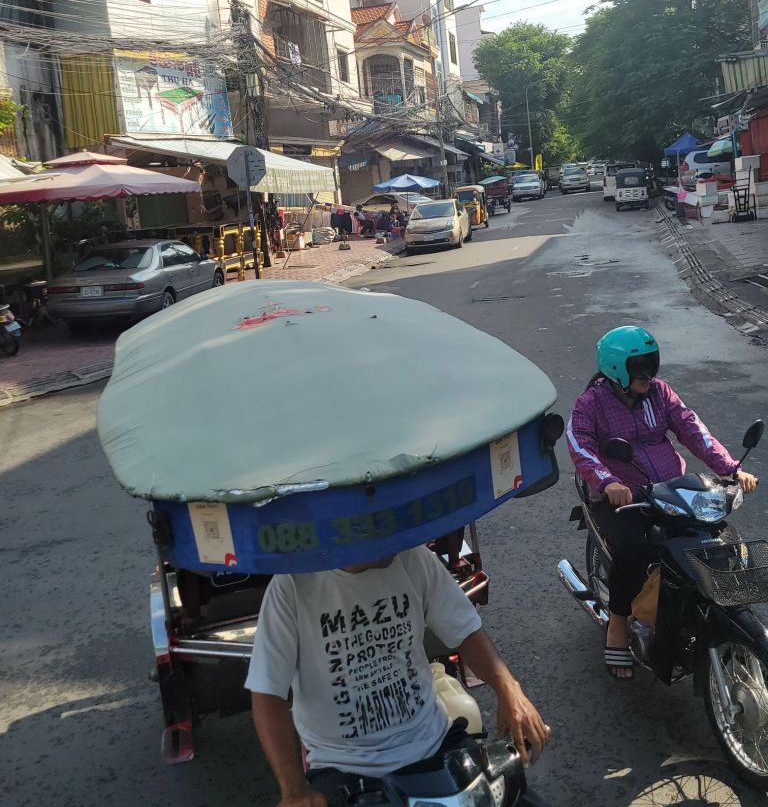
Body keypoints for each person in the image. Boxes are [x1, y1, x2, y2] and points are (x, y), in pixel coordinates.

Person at [246, 545, 551, 807]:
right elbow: (268, 692)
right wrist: (293, 788)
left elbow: (466, 632)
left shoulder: (413, 558)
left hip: (434, 742)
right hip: (343, 765)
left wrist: (510, 690)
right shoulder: (291, 585)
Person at [567, 325, 758, 680]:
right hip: (623, 496)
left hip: (670, 491)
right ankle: (618, 625)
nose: (647, 374)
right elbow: (580, 445)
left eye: (650, 364)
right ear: (617, 369)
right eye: (639, 367)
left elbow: (693, 429)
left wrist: (731, 469)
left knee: (717, 537)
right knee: (633, 551)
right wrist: (608, 482)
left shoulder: (660, 393)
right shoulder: (590, 404)